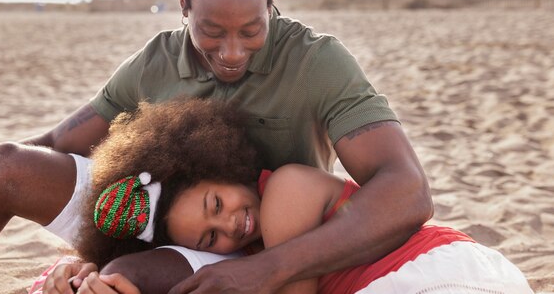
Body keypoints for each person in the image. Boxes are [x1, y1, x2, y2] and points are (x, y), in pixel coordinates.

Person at [0, 0, 433, 293]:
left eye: (252, 30)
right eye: (212, 31)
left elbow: (407, 189)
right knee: (7, 164)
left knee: (129, 276)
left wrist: (271, 271)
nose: (233, 51)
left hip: (254, 244)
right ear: (183, 7)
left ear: (271, 3)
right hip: (154, 208)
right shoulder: (156, 60)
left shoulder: (316, 61)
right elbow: (59, 142)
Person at [40, 98, 532, 294]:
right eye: (210, 238)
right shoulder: (256, 248)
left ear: (221, 169)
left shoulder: (286, 192)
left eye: (217, 204)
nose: (231, 225)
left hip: (437, 278)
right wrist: (80, 271)